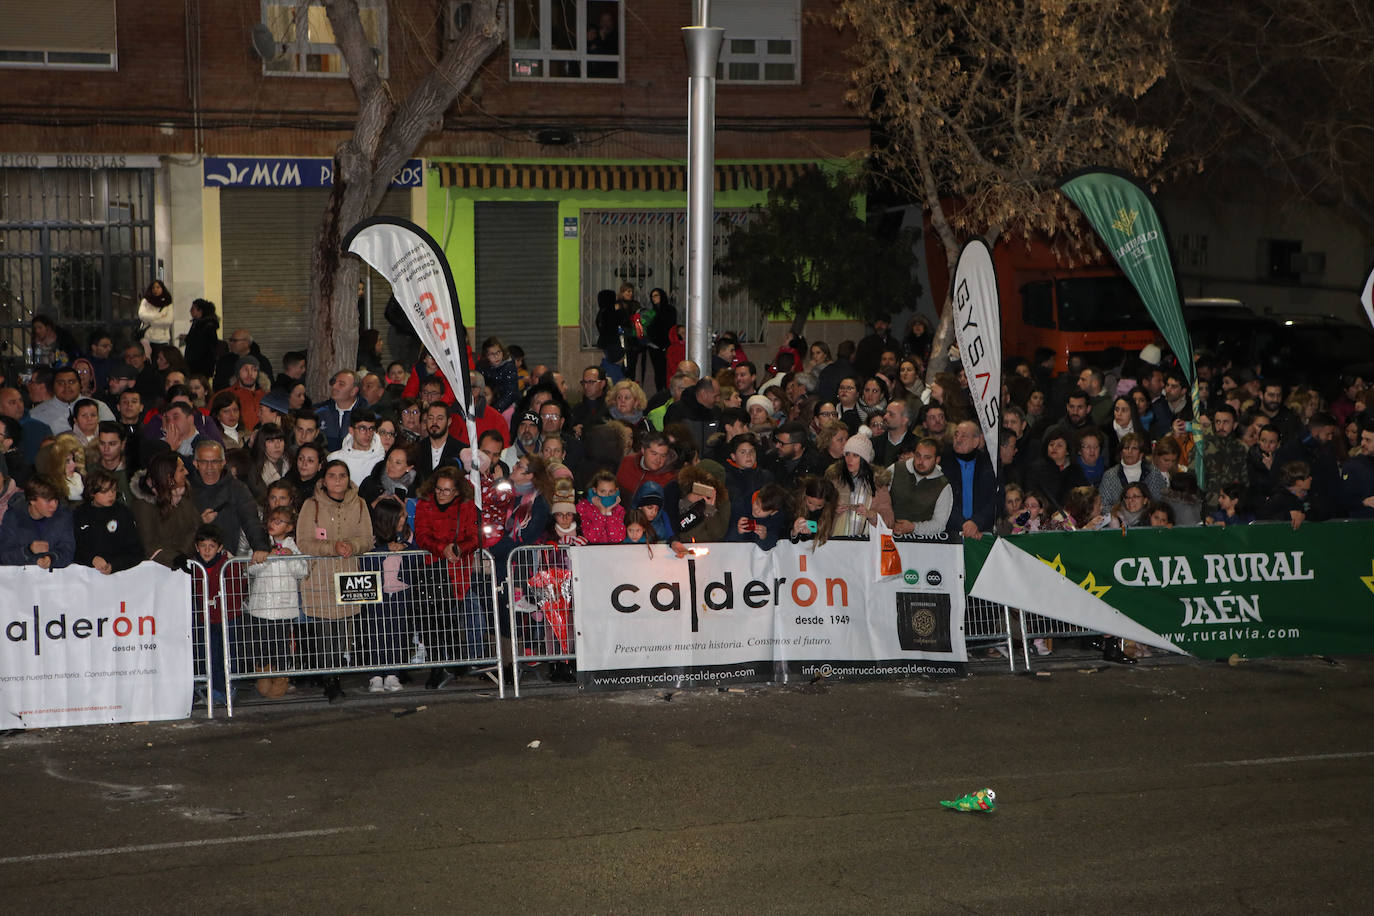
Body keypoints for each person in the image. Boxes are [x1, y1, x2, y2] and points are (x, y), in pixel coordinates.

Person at [296, 460, 374, 702]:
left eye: (342, 475)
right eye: (332, 475)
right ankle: (330, 679)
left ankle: (335, 672)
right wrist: (332, 547)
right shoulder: (311, 505)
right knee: (324, 630)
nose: (337, 480)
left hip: (349, 575)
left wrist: (353, 546)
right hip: (320, 574)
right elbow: (304, 541)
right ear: (324, 479)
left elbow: (367, 538)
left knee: (343, 629)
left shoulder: (359, 504)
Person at [244, 505, 309, 699]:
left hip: (284, 607)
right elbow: (250, 569)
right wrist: (264, 558)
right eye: (272, 520)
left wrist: (290, 557)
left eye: (279, 522)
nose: (273, 524)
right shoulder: (260, 543)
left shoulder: (292, 546)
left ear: (289, 527)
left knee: (281, 643)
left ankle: (281, 676)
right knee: (261, 642)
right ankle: (263, 674)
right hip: (262, 605)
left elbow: (302, 571)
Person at [361, 496, 419, 693]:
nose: (403, 520)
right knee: (376, 633)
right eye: (400, 516)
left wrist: (405, 548)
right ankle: (376, 675)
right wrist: (385, 549)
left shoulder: (407, 536)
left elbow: (417, 557)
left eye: (403, 516)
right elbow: (365, 561)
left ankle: (393, 674)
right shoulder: (372, 539)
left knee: (397, 633)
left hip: (401, 591)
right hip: (377, 593)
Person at [190, 440, 269, 561]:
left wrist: (261, 547)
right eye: (204, 462)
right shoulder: (187, 490)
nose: (209, 467)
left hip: (228, 560)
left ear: (223, 463)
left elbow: (251, 521)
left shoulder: (238, 488)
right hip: (193, 561)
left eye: (215, 461)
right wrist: (199, 521)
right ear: (196, 463)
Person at [130, 452, 201, 568]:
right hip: (156, 570)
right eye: (181, 470)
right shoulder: (143, 506)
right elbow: (148, 545)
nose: (187, 472)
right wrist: (174, 559)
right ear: (169, 477)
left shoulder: (184, 498)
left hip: (182, 563)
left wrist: (182, 555)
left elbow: (196, 528)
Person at [825, 430, 894, 537]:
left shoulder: (878, 484)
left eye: (855, 455)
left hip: (867, 543)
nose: (849, 459)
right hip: (837, 542)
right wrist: (833, 511)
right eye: (847, 454)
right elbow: (819, 512)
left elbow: (889, 522)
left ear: (864, 459)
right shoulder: (834, 480)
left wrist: (870, 515)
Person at [73, 468, 143, 573]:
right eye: (104, 491)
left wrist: (114, 565)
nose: (111, 495)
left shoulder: (123, 513)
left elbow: (136, 551)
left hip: (120, 573)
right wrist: (91, 559)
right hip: (87, 574)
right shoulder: (80, 514)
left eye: (113, 490)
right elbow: (73, 548)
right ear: (92, 492)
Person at [0, 475, 75, 568]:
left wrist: (52, 558)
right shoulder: (13, 516)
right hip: (22, 575)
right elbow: (4, 554)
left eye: (56, 499)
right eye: (48, 501)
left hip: (54, 575)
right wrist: (28, 551)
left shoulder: (63, 515)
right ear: (32, 500)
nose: (54, 505)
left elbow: (68, 549)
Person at [941, 421, 1000, 538]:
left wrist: (976, 522)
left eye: (964, 436)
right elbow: (940, 500)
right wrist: (963, 524)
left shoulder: (990, 465)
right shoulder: (943, 463)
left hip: (982, 531)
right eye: (956, 435)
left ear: (976, 441)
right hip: (950, 531)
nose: (958, 439)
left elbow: (996, 499)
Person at [888, 438, 953, 537]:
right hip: (886, 534)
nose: (921, 461)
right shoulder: (895, 469)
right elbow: (878, 500)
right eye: (918, 455)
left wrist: (914, 527)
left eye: (927, 458)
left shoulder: (943, 486)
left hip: (920, 541)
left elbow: (939, 524)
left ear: (937, 460)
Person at [577, 469, 627, 544]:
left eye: (611, 491)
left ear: (616, 491)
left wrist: (609, 512)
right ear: (594, 490)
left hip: (613, 550)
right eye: (603, 491)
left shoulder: (619, 509)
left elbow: (617, 538)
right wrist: (601, 512)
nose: (607, 495)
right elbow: (591, 538)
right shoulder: (583, 507)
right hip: (590, 550)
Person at [183, 298, 220, 377]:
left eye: (193, 309)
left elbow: (204, 345)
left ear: (200, 311)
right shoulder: (197, 323)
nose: (190, 311)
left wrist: (188, 339)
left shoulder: (207, 326)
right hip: (194, 364)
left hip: (201, 365)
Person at [136, 279, 175, 345]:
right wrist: (159, 316)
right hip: (147, 338)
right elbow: (142, 315)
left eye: (158, 287)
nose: (155, 289)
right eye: (153, 288)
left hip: (162, 339)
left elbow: (168, 321)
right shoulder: (146, 301)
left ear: (162, 288)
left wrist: (150, 320)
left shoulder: (168, 302)